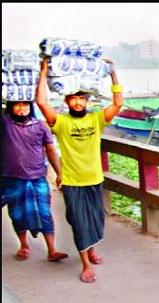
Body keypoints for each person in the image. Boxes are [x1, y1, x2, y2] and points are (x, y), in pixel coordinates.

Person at [35, 56, 123, 283]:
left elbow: (117, 104)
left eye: (81, 99)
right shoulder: (61, 123)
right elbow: (42, 103)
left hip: (94, 179)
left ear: (86, 101)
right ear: (66, 101)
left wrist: (113, 74)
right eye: (73, 99)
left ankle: (91, 250)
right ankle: (85, 263)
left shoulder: (96, 120)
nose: (77, 103)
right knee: (80, 222)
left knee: (95, 220)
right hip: (73, 182)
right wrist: (44, 72)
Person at [1, 100, 68, 262]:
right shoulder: (5, 124)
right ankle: (24, 245)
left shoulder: (40, 126)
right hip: (12, 178)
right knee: (17, 214)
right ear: (10, 107)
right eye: (17, 105)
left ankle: (52, 250)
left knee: (45, 212)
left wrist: (60, 173)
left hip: (38, 177)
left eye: (25, 104)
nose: (22, 108)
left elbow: (50, 149)